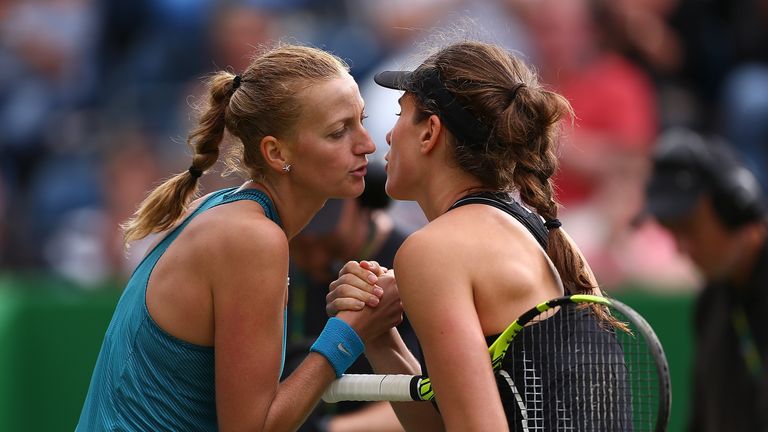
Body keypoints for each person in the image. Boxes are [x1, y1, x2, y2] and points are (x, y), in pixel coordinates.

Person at [76, 44, 403, 431]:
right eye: (338, 132)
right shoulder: (252, 238)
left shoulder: (225, 211)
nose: (367, 144)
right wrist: (349, 332)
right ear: (277, 152)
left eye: (361, 121)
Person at [326, 40, 611, 431]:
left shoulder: (434, 251)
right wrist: (379, 336)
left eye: (399, 114)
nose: (385, 139)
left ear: (430, 133)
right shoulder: (545, 237)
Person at [641, 127, 768, 432]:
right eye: (672, 231)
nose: (681, 248)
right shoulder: (710, 304)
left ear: (735, 210)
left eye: (688, 227)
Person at [287, 161, 417, 432]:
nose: (311, 250)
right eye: (298, 239)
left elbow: (433, 397)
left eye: (323, 234)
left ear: (367, 203)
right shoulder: (272, 260)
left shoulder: (413, 265)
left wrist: (327, 430)